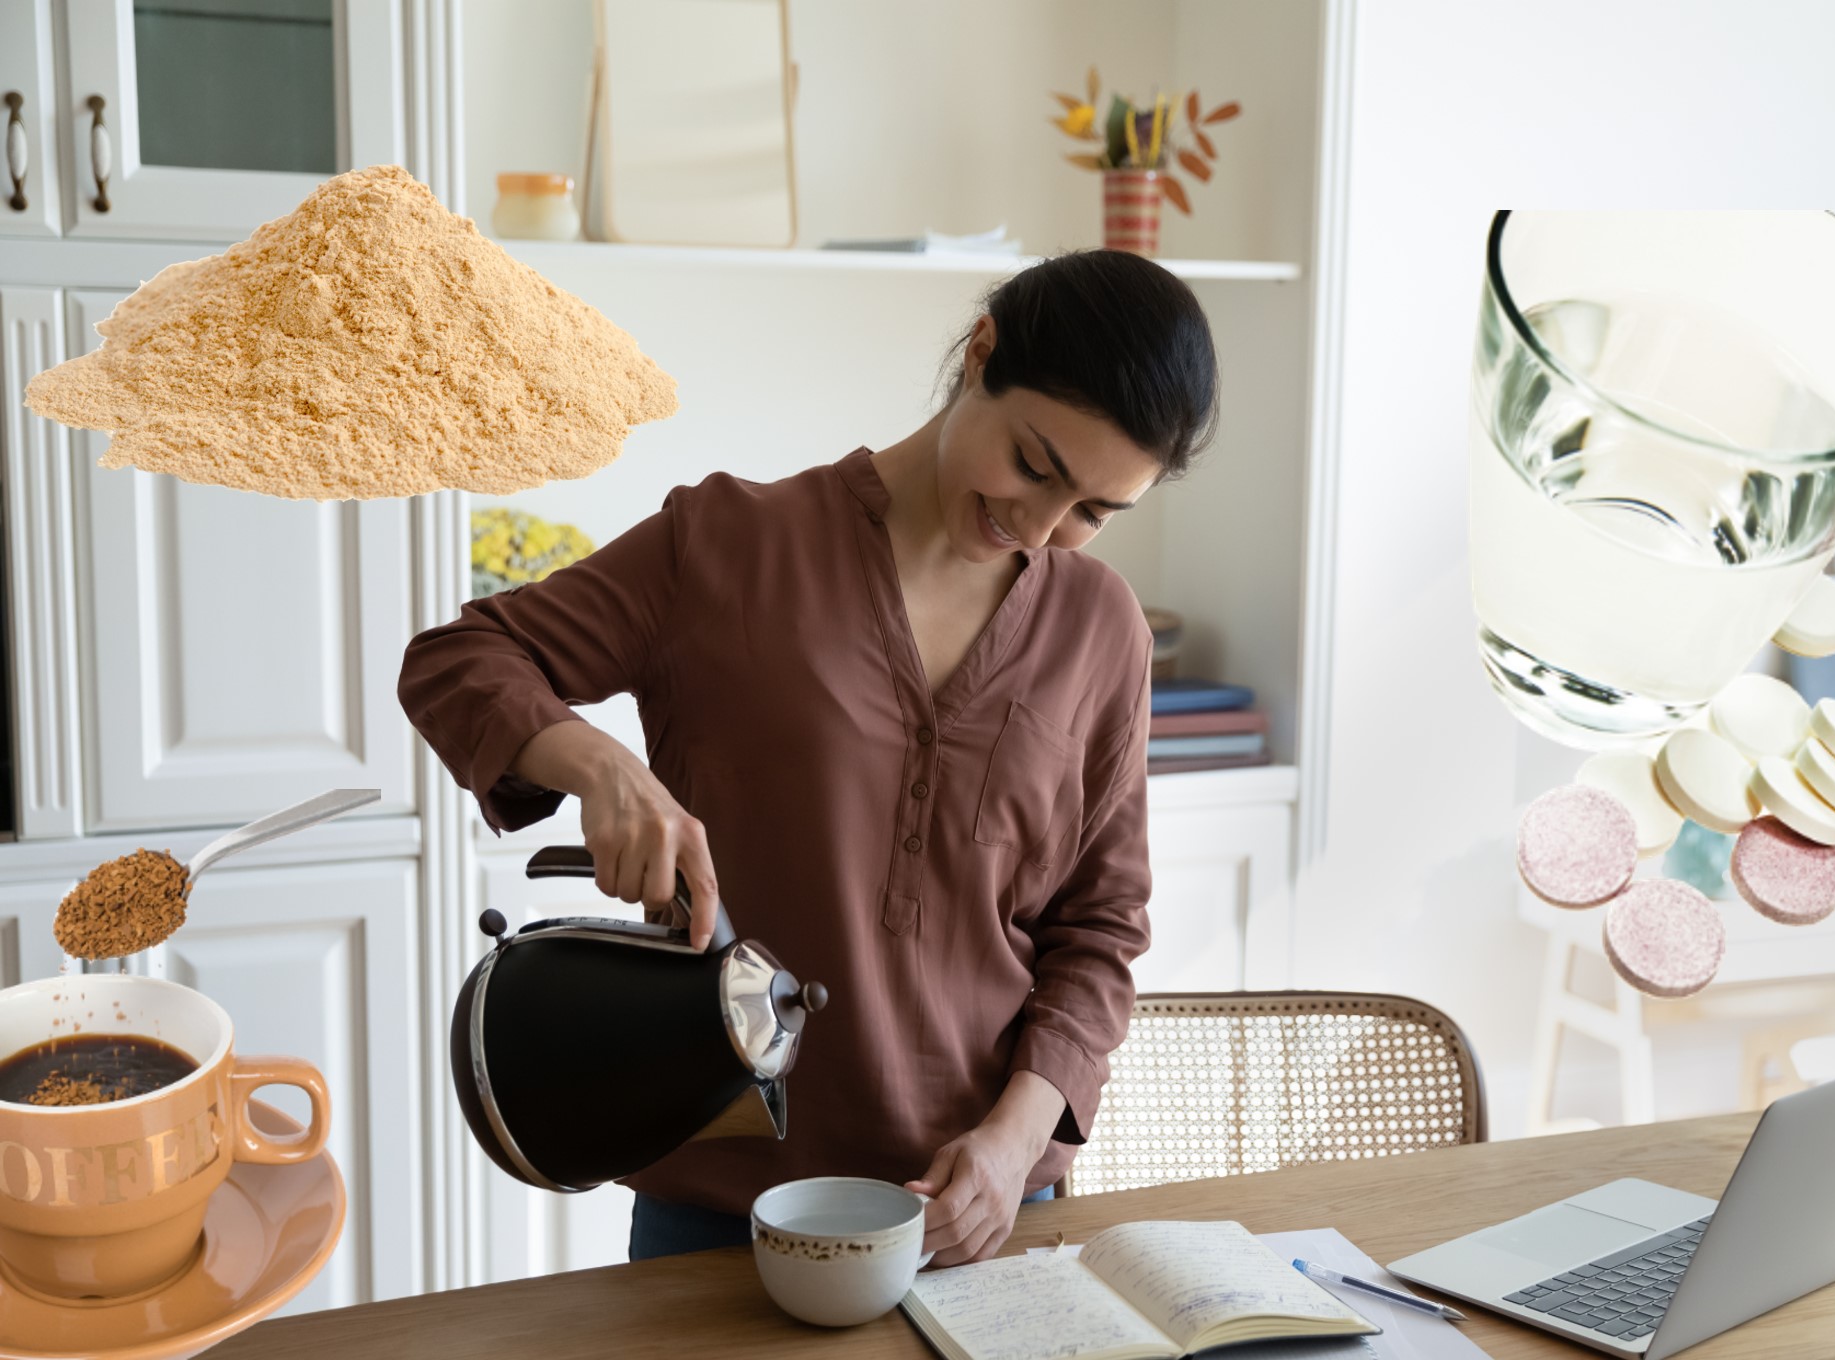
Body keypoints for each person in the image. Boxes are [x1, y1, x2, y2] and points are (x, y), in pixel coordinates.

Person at [399, 249, 1220, 1266]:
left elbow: (1098, 929)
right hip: (726, 1210)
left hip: (986, 1211)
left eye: (1094, 511)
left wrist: (1014, 1148)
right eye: (1035, 464)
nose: (1041, 527)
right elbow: (458, 659)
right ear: (980, 355)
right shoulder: (728, 544)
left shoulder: (1102, 629)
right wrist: (601, 767)